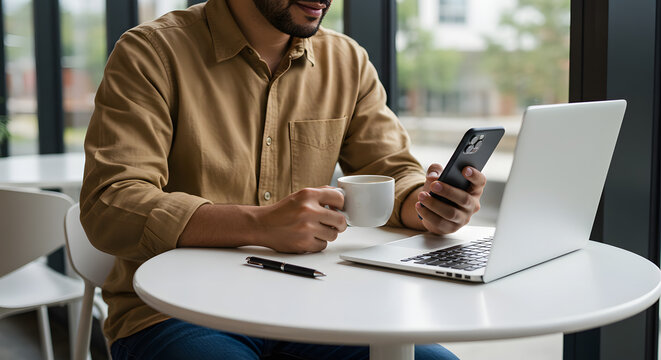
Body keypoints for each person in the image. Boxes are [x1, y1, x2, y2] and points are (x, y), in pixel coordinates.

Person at [80, 0, 485, 359]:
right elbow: (110, 203)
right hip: (173, 313)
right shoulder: (151, 53)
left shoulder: (346, 61)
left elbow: (393, 170)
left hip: (310, 304)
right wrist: (260, 224)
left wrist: (429, 204)